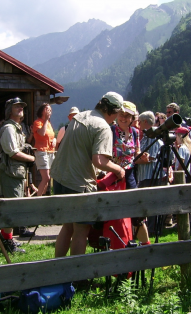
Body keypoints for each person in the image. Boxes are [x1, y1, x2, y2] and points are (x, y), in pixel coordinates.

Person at [51, 92, 125, 258]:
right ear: (113, 111)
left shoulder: (81, 116)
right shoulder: (103, 127)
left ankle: (56, 269)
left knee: (67, 226)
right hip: (79, 184)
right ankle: (77, 276)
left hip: (60, 178)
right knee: (80, 231)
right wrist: (119, 170)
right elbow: (99, 160)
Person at [0, 97, 35, 253]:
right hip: (10, 173)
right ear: (9, 110)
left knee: (14, 208)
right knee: (11, 210)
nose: (20, 108)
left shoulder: (17, 127)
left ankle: (8, 239)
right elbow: (12, 152)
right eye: (16, 106)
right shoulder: (9, 128)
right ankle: (6, 243)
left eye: (22, 106)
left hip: (17, 173)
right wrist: (32, 158)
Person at [111, 101, 151, 246]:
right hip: (112, 178)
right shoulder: (110, 131)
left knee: (137, 213)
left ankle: (146, 248)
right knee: (115, 214)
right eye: (122, 114)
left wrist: (142, 157)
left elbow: (136, 155)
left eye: (128, 115)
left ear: (133, 118)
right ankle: (117, 245)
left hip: (130, 176)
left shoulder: (134, 133)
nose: (124, 117)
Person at [135, 111, 166, 234]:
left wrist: (133, 161)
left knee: (152, 205)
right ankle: (149, 230)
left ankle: (154, 230)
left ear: (145, 122)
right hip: (145, 176)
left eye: (140, 121)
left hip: (151, 175)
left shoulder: (153, 137)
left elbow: (151, 158)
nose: (138, 124)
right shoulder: (147, 136)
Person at [33, 103, 56, 197]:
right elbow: (42, 133)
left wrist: (54, 140)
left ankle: (43, 197)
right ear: (42, 111)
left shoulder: (49, 124)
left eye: (50, 110)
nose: (49, 111)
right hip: (41, 151)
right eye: (47, 109)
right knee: (46, 177)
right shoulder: (37, 122)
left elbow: (52, 136)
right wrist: (46, 120)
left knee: (49, 178)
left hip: (50, 152)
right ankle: (38, 199)